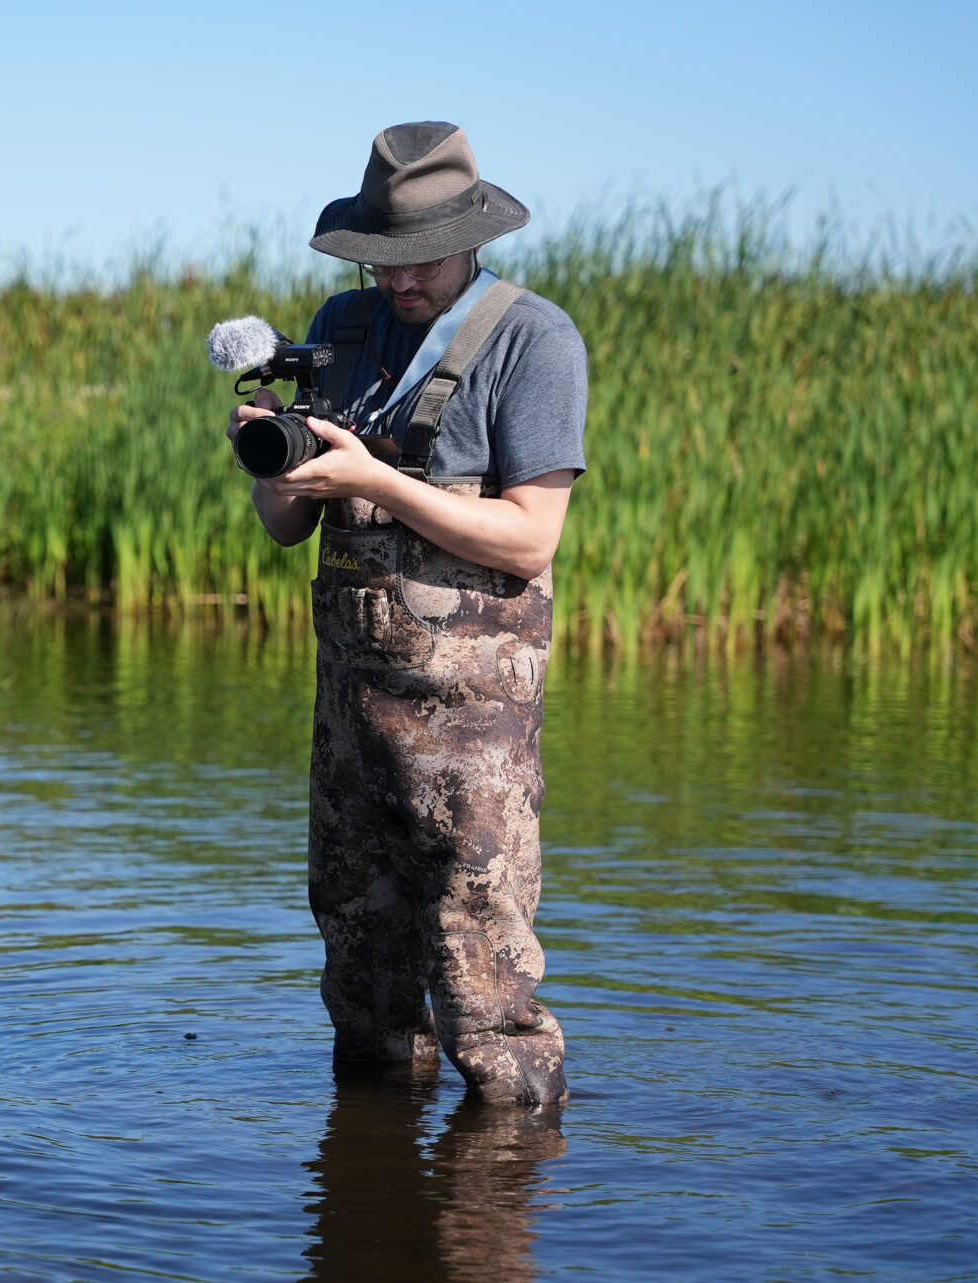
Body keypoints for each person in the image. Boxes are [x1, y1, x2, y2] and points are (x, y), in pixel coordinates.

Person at [229, 121, 586, 1105]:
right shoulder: (339, 330)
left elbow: (529, 538)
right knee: (361, 994)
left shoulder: (533, 339)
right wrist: (277, 461)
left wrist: (377, 475)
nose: (395, 281)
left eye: (415, 260)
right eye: (379, 260)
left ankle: (501, 1208)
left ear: (472, 237)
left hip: (475, 741)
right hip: (351, 728)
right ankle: (370, 1203)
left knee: (488, 995)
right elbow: (286, 529)